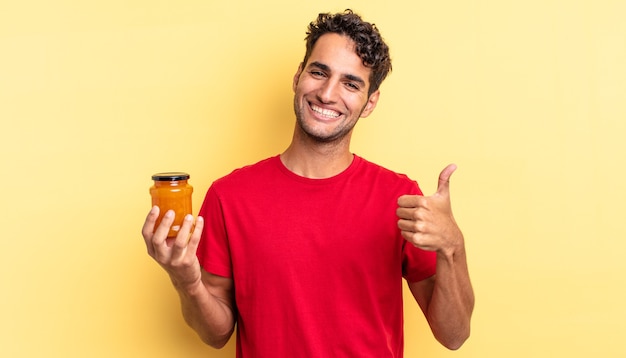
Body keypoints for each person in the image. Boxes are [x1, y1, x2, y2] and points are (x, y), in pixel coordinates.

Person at [142, 9, 474, 357]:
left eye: (351, 83)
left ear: (369, 103)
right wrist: (187, 281)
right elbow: (217, 334)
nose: (328, 94)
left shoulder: (399, 197)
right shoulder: (229, 196)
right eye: (319, 72)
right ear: (298, 76)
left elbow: (453, 335)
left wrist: (453, 245)